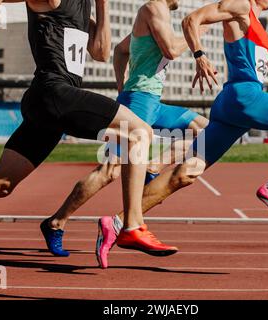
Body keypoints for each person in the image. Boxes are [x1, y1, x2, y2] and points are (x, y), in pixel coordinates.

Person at [0, 0, 174, 255]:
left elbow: (100, 52)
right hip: (53, 92)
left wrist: (103, 5)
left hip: (51, 104)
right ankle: (132, 226)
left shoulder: (83, 6)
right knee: (139, 132)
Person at [97, 0, 268, 266]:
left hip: (232, 108)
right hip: (246, 97)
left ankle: (118, 223)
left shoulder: (261, 26)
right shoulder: (241, 6)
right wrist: (200, 56)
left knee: (185, 174)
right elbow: (191, 20)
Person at [40, 0, 209, 269]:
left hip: (151, 102)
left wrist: (121, 88)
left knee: (204, 130)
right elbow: (172, 50)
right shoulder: (153, 8)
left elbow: (121, 50)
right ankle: (56, 222)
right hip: (140, 101)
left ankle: (154, 165)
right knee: (109, 171)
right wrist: (201, 25)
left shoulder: (159, 15)